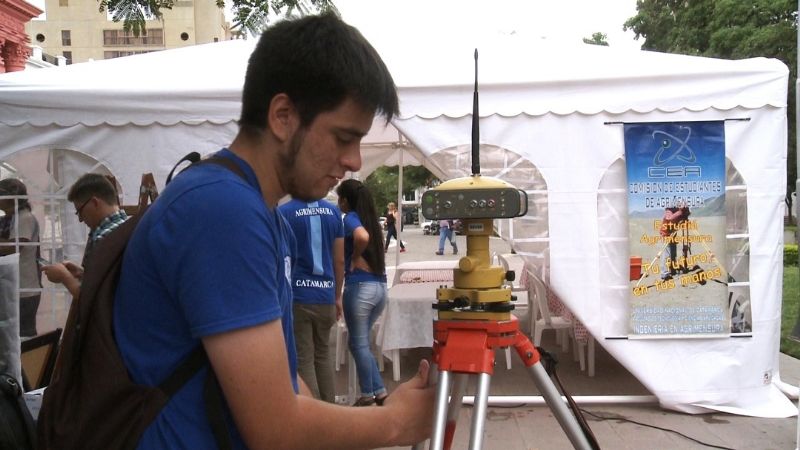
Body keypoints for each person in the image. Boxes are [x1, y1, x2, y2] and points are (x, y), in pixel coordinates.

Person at [112, 14, 433, 449]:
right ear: (283, 116)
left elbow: (282, 383)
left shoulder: (260, 211)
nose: (355, 161)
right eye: (343, 138)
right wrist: (395, 423)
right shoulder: (222, 210)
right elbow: (276, 430)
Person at [278, 197, 344, 403]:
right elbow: (339, 259)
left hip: (298, 296)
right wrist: (337, 295)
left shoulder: (284, 212)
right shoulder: (333, 212)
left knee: (304, 359)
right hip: (326, 295)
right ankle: (331, 410)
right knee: (323, 355)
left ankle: (316, 415)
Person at [336, 179, 390, 407]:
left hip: (360, 289)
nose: (338, 203)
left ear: (346, 201)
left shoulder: (350, 218)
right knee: (359, 344)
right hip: (379, 289)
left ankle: (371, 392)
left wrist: (355, 258)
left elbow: (361, 238)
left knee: (358, 344)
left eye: (339, 198)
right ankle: (376, 392)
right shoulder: (372, 222)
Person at [41, 173, 128, 299]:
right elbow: (108, 280)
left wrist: (64, 276)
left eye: (80, 211)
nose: (81, 219)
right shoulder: (125, 227)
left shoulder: (105, 238)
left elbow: (91, 298)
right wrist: (82, 274)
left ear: (94, 202)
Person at [0, 178, 41, 337]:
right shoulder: (9, 219)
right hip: (13, 288)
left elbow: (14, 247)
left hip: (24, 290)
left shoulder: (24, 218)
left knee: (22, 336)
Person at [660, 202, 690, 280]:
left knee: (673, 253)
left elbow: (680, 220)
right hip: (666, 234)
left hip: (672, 233)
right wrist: (680, 212)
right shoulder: (669, 211)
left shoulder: (679, 213)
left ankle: (672, 269)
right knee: (666, 254)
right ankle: (664, 274)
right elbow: (669, 218)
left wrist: (684, 217)